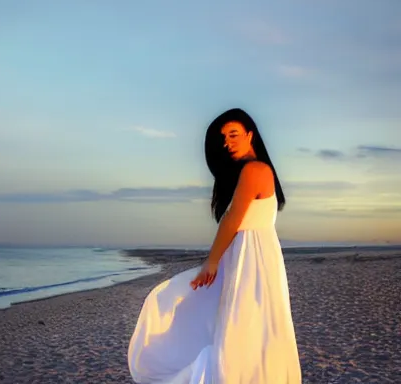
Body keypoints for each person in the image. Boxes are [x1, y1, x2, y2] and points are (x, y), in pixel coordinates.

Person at [128, 108, 302, 383]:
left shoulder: (255, 169)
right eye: (223, 138)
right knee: (247, 327)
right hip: (246, 256)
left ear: (250, 135)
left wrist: (211, 261)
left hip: (252, 259)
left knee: (244, 326)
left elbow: (232, 219)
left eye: (234, 135)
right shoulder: (246, 173)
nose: (227, 142)